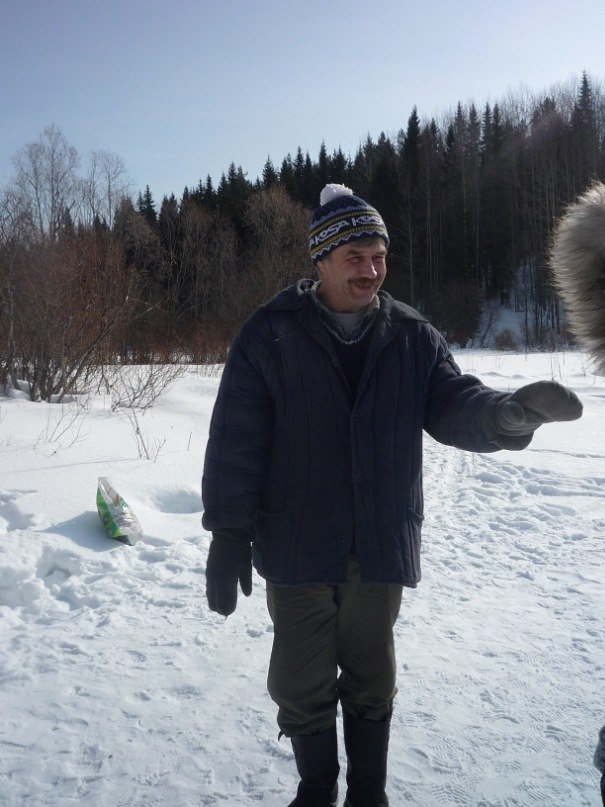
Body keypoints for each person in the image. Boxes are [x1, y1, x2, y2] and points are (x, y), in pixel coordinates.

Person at [202, 184, 583, 807]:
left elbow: (455, 402)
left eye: (379, 256)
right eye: (355, 255)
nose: (371, 269)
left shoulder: (412, 334)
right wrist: (227, 532)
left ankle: (369, 793)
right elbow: (236, 441)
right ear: (320, 260)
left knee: (372, 675)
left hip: (376, 543)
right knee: (299, 680)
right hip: (296, 542)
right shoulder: (268, 335)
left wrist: (510, 415)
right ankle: (317, 787)